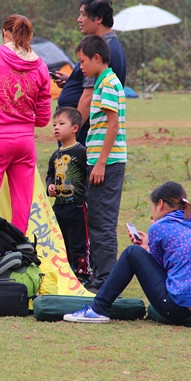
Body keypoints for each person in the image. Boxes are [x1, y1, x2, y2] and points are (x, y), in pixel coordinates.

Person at [64, 182, 191, 323]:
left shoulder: (160, 226)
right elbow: (174, 261)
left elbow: (158, 266)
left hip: (181, 306)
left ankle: (98, 309)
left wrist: (144, 248)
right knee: (137, 253)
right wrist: (148, 246)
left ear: (160, 204)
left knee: (131, 253)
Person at [0, 14, 51, 233]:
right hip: (24, 143)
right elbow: (43, 119)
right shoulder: (41, 66)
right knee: (22, 206)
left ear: (4, 33)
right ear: (30, 36)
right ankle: (18, 252)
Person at [75, 34, 126, 291]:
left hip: (107, 163)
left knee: (103, 222)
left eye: (83, 61)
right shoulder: (102, 82)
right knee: (96, 219)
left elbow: (113, 124)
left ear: (97, 58)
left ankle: (106, 280)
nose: (81, 67)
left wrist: (101, 162)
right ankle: (99, 276)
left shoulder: (107, 83)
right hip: (99, 161)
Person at [54, 0, 126, 145]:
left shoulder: (97, 52)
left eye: (83, 15)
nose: (79, 19)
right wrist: (72, 81)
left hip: (83, 131)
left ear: (98, 18)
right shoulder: (111, 44)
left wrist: (73, 133)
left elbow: (89, 96)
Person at [45, 106, 90, 279]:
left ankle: (82, 272)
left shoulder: (81, 152)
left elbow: (88, 175)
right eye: (54, 124)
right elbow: (50, 175)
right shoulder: (55, 155)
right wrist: (50, 186)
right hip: (60, 206)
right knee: (61, 240)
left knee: (78, 241)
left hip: (77, 206)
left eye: (61, 123)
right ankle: (66, 272)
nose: (56, 127)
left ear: (74, 128)